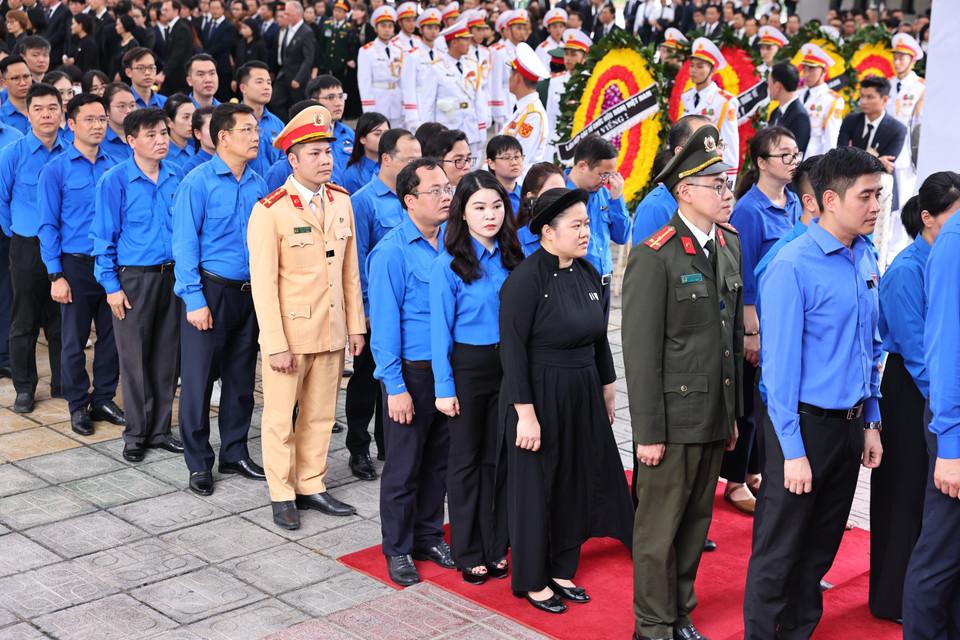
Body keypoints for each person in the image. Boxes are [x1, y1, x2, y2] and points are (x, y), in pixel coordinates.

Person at [743, 147, 885, 639]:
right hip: (800, 427)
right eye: (865, 196)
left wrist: (870, 419)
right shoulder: (791, 265)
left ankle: (797, 632)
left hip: (848, 429)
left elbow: (871, 346)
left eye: (879, 195)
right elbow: (778, 373)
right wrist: (792, 452)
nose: (875, 206)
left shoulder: (864, 254)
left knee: (820, 549)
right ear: (828, 199)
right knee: (779, 551)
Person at [622, 123, 742, 640]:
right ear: (686, 191)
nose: (727, 192)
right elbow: (640, 351)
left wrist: (731, 414)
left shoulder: (729, 244)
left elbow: (729, 338)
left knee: (695, 525)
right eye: (717, 184)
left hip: (713, 414)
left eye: (727, 181)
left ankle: (680, 613)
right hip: (670, 421)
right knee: (657, 531)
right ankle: (652, 625)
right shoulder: (655, 254)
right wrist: (647, 431)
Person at [500, 186, 633, 614]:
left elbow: (599, 337)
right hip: (538, 391)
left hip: (582, 389)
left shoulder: (590, 271)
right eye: (576, 225)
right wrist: (525, 414)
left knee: (575, 478)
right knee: (538, 486)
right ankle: (533, 579)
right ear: (546, 232)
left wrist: (608, 386)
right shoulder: (524, 280)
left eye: (587, 224)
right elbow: (513, 352)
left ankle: (561, 568)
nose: (584, 232)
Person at [248, 104, 365, 530]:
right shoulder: (271, 210)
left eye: (328, 151)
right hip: (292, 336)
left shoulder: (340, 201)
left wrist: (356, 327)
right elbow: (263, 286)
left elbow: (350, 271)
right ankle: (281, 493)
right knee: (281, 418)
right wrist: (275, 343)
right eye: (314, 153)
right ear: (292, 160)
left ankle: (311, 483)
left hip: (332, 331)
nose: (326, 160)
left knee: (320, 415)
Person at [873, 174, 960, 623]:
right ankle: (894, 600)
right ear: (927, 218)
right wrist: (946, 411)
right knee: (905, 498)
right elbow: (919, 354)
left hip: (937, 395)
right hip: (912, 394)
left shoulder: (943, 257)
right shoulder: (908, 269)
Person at [430, 170, 522, 584]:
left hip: (510, 367)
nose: (490, 215)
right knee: (465, 462)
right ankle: (468, 549)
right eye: (479, 207)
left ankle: (496, 543)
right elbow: (438, 334)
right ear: (462, 213)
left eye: (497, 206)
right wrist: (444, 388)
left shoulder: (514, 259)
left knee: (499, 459)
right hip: (467, 367)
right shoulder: (447, 265)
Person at [368, 157, 456, 587]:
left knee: (438, 463)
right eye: (434, 191)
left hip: (448, 375)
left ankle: (427, 535)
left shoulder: (454, 243)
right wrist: (394, 387)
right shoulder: (390, 252)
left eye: (447, 189)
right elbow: (383, 328)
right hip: (412, 374)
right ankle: (398, 548)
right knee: (403, 467)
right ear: (409, 200)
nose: (445, 197)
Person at [172, 103, 267, 496]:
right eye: (246, 129)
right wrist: (194, 298)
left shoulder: (260, 183)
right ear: (223, 136)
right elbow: (184, 244)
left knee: (242, 379)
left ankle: (234, 450)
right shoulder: (198, 182)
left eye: (256, 129)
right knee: (197, 382)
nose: (255, 136)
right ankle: (198, 463)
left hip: (250, 295)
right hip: (210, 292)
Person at [90, 106, 185, 463]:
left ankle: (160, 430)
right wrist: (111, 286)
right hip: (133, 279)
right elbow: (102, 238)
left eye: (163, 133)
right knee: (134, 360)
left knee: (166, 357)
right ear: (131, 141)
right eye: (151, 135)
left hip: (172, 277)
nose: (161, 141)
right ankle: (136, 434)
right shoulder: (114, 180)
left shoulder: (177, 177)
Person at [722, 125, 801, 515]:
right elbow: (744, 273)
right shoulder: (749, 210)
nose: (792, 161)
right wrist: (750, 332)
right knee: (749, 404)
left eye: (795, 154)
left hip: (784, 321)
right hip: (757, 322)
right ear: (760, 163)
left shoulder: (794, 203)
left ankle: (753, 471)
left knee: (770, 401)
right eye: (783, 155)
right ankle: (735, 480)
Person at [37, 93, 124, 436]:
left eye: (102, 119)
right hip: (74, 266)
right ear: (70, 124)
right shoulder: (55, 169)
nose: (98, 125)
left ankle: (103, 397)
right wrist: (56, 274)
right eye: (89, 119)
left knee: (113, 336)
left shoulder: (116, 163)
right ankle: (77, 404)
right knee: (73, 340)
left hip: (112, 264)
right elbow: (47, 225)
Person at [903, 174, 960, 640]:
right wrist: (951, 444)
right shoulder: (954, 239)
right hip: (952, 421)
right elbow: (942, 352)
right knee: (940, 552)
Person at [346, 128, 421, 480]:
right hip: (376, 309)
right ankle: (358, 447)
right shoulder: (364, 201)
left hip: (410, 309)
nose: (416, 165)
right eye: (410, 159)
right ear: (386, 159)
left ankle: (387, 443)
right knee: (364, 380)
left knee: (397, 381)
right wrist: (365, 311)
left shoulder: (415, 197)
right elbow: (357, 261)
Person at [0, 83, 68, 414]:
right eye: (38, 109)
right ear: (27, 114)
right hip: (26, 246)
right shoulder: (12, 153)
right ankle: (25, 388)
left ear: (62, 112)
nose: (45, 115)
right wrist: (17, 234)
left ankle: (63, 382)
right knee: (24, 321)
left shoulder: (72, 152)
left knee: (62, 319)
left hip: (65, 249)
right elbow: (1, 201)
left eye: (52, 108)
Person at [838, 75, 906, 269]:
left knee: (879, 242)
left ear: (884, 99)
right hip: (851, 190)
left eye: (869, 97)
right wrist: (874, 159)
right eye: (862, 97)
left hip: (882, 193)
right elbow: (840, 152)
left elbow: (887, 165)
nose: (863, 102)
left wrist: (856, 156)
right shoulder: (851, 120)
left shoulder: (897, 129)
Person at [564, 134, 629, 320]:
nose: (606, 181)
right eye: (602, 174)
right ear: (583, 166)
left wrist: (617, 199)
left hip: (603, 281)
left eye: (610, 175)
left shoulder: (601, 193)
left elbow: (622, 237)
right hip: (575, 283)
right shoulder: (560, 192)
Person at [632, 116, 712, 246]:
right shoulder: (654, 208)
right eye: (706, 145)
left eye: (718, 144)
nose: (717, 152)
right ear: (680, 153)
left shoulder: (713, 196)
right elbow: (645, 263)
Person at [417, 18, 487, 167]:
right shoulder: (436, 68)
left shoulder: (473, 65)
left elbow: (479, 101)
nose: (469, 43)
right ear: (454, 42)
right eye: (465, 40)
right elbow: (427, 104)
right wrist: (428, 135)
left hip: (470, 127)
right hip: (446, 129)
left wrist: (482, 130)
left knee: (471, 169)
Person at [681, 37, 740, 177]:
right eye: (692, 65)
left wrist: (728, 180)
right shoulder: (687, 97)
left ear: (712, 70)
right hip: (688, 167)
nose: (693, 70)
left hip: (712, 171)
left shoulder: (724, 101)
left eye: (700, 66)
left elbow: (730, 144)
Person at [887, 33, 925, 219]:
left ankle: (897, 247)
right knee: (886, 201)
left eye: (902, 57)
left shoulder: (920, 87)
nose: (897, 61)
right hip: (886, 151)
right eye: (895, 57)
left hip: (906, 154)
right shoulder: (888, 84)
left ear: (912, 60)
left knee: (902, 203)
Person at [499, 41, 549, 172]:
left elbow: (516, 162)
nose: (508, 78)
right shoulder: (524, 109)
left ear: (518, 78)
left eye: (511, 74)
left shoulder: (533, 115)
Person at [543, 28, 590, 161]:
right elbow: (550, 115)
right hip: (556, 140)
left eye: (573, 54)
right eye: (566, 54)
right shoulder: (555, 81)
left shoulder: (590, 82)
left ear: (584, 57)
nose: (568, 58)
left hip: (581, 142)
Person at [235, 60, 285, 173]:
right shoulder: (233, 122)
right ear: (243, 88)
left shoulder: (278, 124)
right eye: (259, 82)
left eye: (268, 83)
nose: (266, 87)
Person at [356, 6, 403, 124]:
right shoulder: (366, 51)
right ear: (375, 28)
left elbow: (403, 81)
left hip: (396, 102)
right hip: (378, 102)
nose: (387, 30)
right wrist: (369, 110)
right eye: (383, 26)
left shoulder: (399, 50)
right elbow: (364, 83)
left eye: (390, 26)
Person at [270, 1, 316, 120]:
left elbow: (308, 58)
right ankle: (288, 125)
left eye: (288, 14)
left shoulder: (306, 32)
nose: (285, 17)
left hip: (298, 78)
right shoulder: (288, 29)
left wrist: (298, 78)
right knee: (275, 101)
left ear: (298, 14)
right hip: (284, 75)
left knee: (300, 107)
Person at [797, 43, 842, 158]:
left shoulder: (832, 100)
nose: (806, 74)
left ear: (824, 71)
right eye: (804, 69)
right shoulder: (798, 93)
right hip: (793, 152)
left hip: (814, 154)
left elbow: (831, 138)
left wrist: (827, 165)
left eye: (812, 69)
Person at [307, 74, 356, 182]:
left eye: (340, 96)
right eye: (330, 98)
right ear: (314, 101)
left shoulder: (349, 134)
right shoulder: (304, 137)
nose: (338, 103)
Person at [515, 161, 565, 256]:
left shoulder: (570, 232)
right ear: (531, 197)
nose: (559, 198)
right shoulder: (516, 241)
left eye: (563, 191)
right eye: (551, 192)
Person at [767, 61, 810, 154]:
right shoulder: (775, 112)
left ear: (777, 86)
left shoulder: (799, 116)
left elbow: (797, 154)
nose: (768, 88)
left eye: (769, 84)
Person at [341, 110, 387, 194]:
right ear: (362, 139)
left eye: (386, 133)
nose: (383, 138)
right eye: (377, 134)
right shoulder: (352, 175)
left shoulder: (393, 165)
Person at [485, 134, 524, 214]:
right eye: (506, 158)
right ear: (491, 163)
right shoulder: (486, 197)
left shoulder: (527, 194)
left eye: (517, 157)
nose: (514, 162)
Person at [100, 82, 137, 161]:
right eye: (122, 106)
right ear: (107, 110)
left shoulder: (141, 136)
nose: (129, 111)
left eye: (132, 105)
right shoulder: (99, 140)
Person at [0, 56, 34, 135]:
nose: (23, 83)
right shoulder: (1, 117)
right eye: (15, 78)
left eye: (26, 76)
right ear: (4, 82)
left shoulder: (44, 112)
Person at [162, 93, 197, 168]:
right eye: (186, 117)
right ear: (169, 122)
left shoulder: (195, 153)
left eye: (194, 117)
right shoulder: (161, 155)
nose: (191, 123)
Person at [182, 105, 216, 173]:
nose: (218, 132)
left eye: (220, 127)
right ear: (197, 133)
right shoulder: (191, 168)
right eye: (211, 128)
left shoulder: (234, 161)